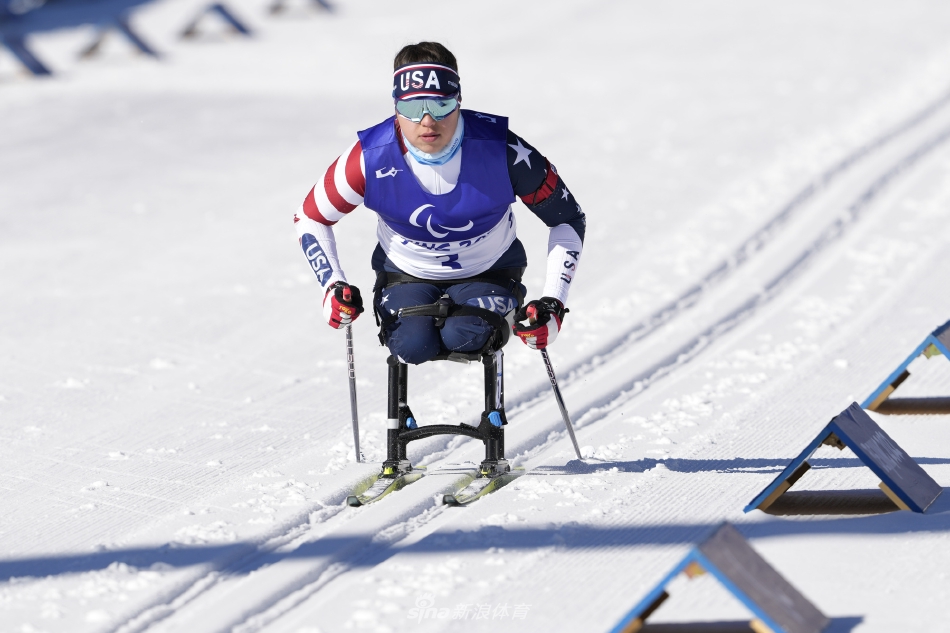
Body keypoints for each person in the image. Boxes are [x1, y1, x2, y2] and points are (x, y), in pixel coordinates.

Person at [294, 41, 585, 364]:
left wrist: (553, 303)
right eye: (412, 108)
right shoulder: (368, 157)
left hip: (490, 271)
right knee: (412, 343)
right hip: (405, 274)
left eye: (441, 105)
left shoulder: (503, 150)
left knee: (466, 335)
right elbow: (311, 217)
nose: (427, 121)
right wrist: (332, 285)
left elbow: (567, 218)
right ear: (395, 106)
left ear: (458, 100)